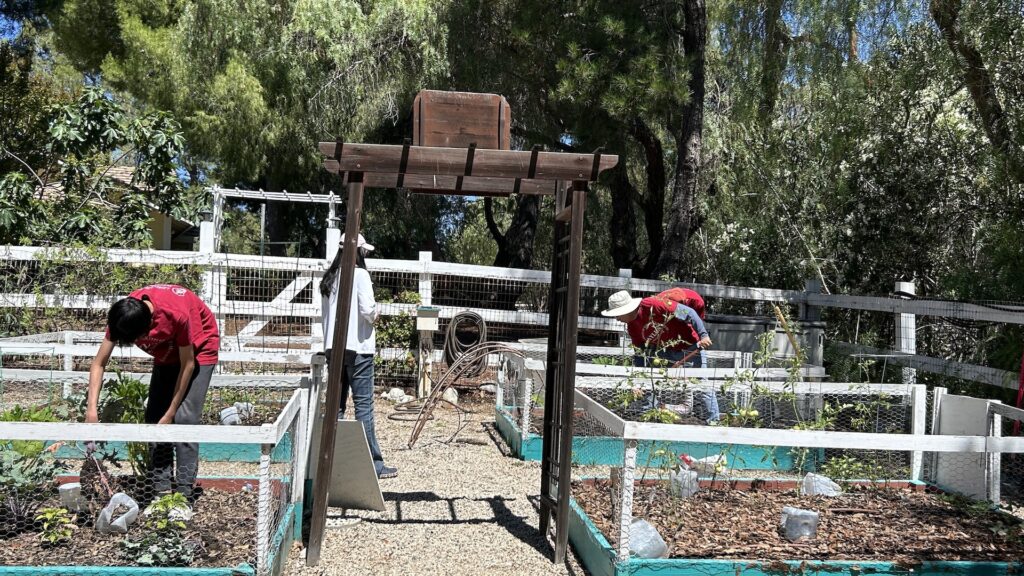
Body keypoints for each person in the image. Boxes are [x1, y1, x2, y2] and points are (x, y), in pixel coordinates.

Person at [86, 284, 220, 501]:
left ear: (148, 328)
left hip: (199, 348)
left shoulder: (175, 315)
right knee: (154, 419)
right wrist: (91, 410)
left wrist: (171, 412)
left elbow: (187, 364)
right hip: (168, 350)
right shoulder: (124, 315)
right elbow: (98, 363)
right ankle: (161, 493)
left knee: (184, 419)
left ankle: (183, 496)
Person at [320, 233, 397, 479]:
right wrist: (376, 314)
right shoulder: (360, 275)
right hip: (359, 348)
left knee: (337, 406)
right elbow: (367, 310)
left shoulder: (330, 277)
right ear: (359, 251)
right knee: (364, 407)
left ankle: (332, 461)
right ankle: (373, 464)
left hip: (333, 348)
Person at [601, 290, 720, 423]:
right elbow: (640, 353)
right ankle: (647, 416)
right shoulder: (632, 327)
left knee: (702, 385)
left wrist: (703, 335)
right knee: (650, 382)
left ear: (626, 310)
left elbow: (688, 313)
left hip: (689, 346)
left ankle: (714, 422)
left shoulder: (654, 305)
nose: (616, 318)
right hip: (665, 351)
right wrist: (641, 379)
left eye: (617, 314)